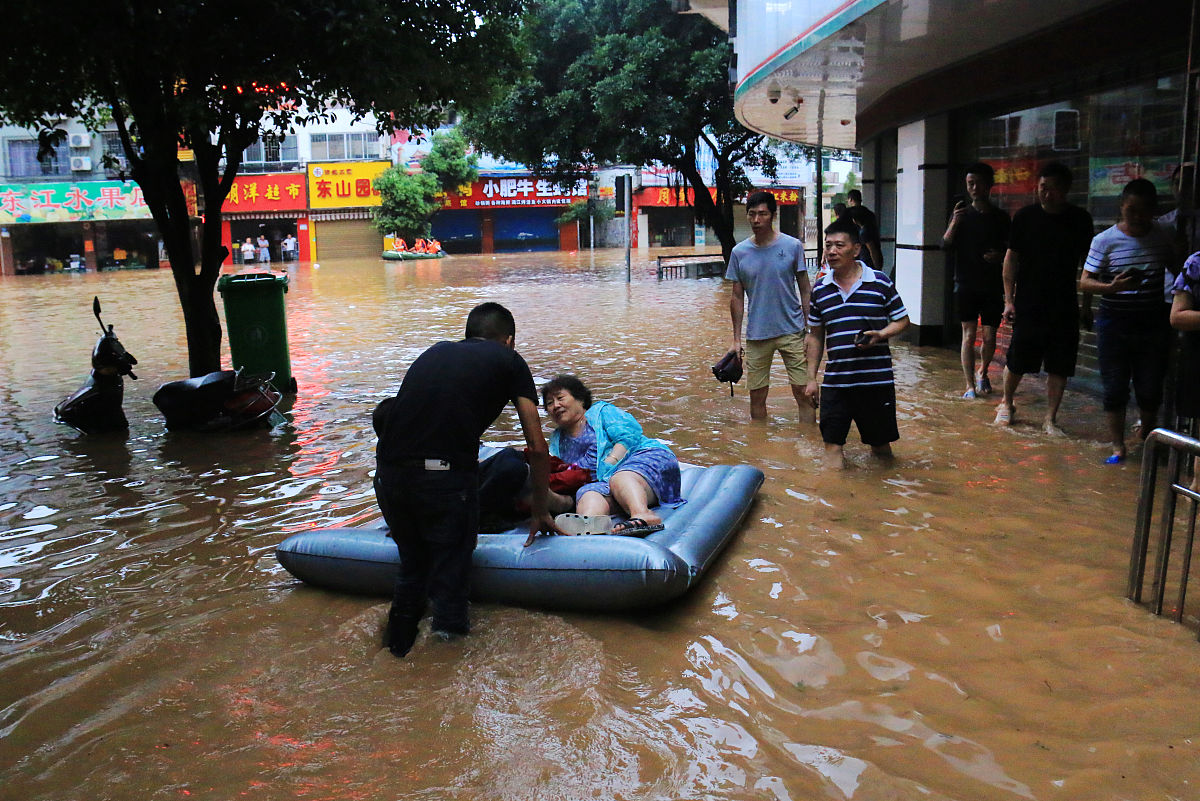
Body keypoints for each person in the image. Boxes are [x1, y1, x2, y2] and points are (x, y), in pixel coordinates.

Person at [372, 302, 561, 658]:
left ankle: (393, 655)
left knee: (412, 573)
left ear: (469, 335)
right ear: (509, 340)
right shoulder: (510, 360)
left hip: (389, 477)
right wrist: (539, 510)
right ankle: (443, 670)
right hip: (443, 479)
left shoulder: (435, 352)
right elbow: (537, 447)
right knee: (450, 584)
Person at [1079, 179, 1176, 463]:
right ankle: (1117, 445)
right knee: (1114, 386)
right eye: (1131, 210)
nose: (1137, 216)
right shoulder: (1104, 240)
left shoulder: (1163, 235)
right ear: (1121, 207)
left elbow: (1178, 267)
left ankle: (1147, 437)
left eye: (1143, 211)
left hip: (1153, 321)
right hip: (1114, 323)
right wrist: (1112, 287)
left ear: (1153, 211)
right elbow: (1085, 282)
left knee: (1150, 387)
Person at [995, 162, 1094, 435]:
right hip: (1029, 301)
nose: (1046, 194)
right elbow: (1010, 260)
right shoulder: (1025, 217)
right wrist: (1009, 300)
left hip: (1064, 303)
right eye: (1042, 188)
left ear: (1066, 190)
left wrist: (1086, 306)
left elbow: (1088, 265)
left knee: (1060, 364)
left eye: (1052, 189)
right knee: (1017, 358)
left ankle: (1050, 418)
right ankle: (1007, 403)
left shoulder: (1080, 220)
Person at [804, 218, 910, 469]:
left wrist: (881, 334)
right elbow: (815, 336)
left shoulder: (880, 283)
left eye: (839, 245)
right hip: (836, 383)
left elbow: (902, 320)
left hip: (876, 383)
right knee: (832, 448)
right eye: (828, 245)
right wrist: (811, 379)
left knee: (881, 450)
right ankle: (835, 492)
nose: (832, 251)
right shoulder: (820, 289)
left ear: (856, 249)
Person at [542, 374, 683, 537]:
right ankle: (589, 525)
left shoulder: (601, 412)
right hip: (605, 481)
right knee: (587, 494)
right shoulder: (557, 440)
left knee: (620, 478)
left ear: (580, 399)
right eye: (550, 403)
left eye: (560, 398)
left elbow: (628, 436)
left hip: (644, 459)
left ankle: (643, 515)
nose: (555, 405)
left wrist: (610, 461)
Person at [724, 189, 814, 422]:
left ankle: (808, 440)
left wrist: (810, 331)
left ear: (773, 215)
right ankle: (759, 443)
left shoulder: (793, 246)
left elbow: (805, 289)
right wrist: (736, 340)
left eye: (762, 214)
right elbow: (736, 297)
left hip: (793, 330)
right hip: (757, 334)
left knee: (803, 393)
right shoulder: (739, 253)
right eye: (752, 214)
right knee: (757, 397)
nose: (756, 219)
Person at [943, 162, 1011, 399]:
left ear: (989, 185)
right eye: (970, 183)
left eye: (978, 183)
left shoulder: (1001, 218)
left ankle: (983, 371)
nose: (974, 188)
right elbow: (945, 245)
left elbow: (1012, 251)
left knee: (990, 336)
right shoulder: (961, 215)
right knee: (968, 334)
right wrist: (954, 222)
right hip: (965, 282)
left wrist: (1000, 256)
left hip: (992, 283)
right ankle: (969, 385)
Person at [846, 189, 884, 274]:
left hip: (866, 260)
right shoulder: (869, 214)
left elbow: (872, 249)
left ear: (851, 199)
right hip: (871, 257)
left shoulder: (853, 217)